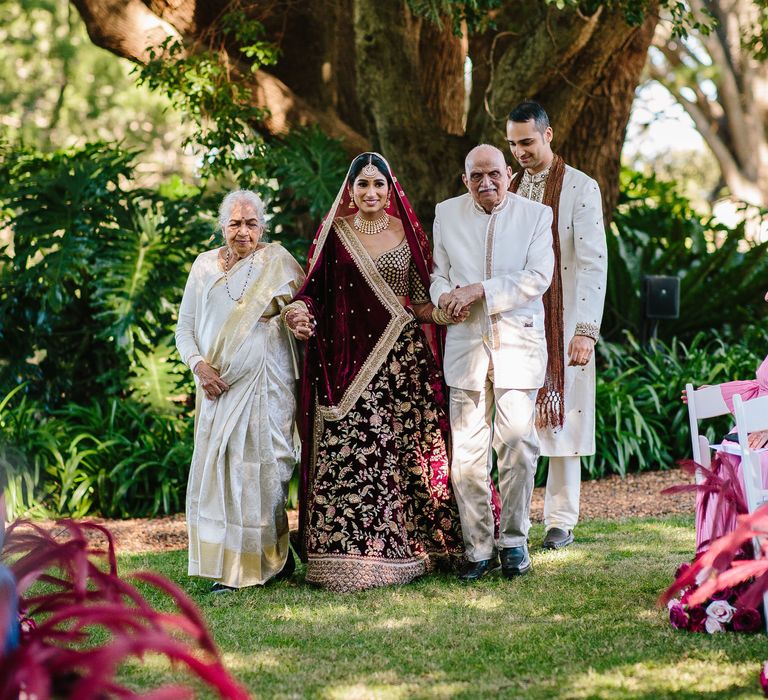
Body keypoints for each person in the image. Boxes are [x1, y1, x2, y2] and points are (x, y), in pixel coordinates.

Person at [282, 152, 464, 593]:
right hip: (345, 363)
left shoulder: (407, 232)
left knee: (407, 460)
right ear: (351, 190)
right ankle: (343, 557)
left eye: (378, 185)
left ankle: (412, 551)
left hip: (402, 363)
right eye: (362, 184)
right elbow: (314, 293)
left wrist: (451, 312)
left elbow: (419, 300)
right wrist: (299, 312)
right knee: (354, 453)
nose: (370, 192)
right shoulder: (335, 234)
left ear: (390, 189)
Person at [430, 144, 554, 582]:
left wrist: (478, 290)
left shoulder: (536, 216)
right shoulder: (446, 214)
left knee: (518, 448)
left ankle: (515, 542)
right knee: (466, 456)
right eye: (476, 176)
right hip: (465, 347)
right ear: (464, 179)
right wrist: (443, 298)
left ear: (509, 175)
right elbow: (438, 274)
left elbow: (538, 277)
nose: (486, 183)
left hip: (517, 346)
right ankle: (477, 547)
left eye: (495, 175)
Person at [175, 189, 305, 592]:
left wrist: (296, 319)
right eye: (235, 223)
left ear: (262, 226)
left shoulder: (278, 263)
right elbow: (185, 329)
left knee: (268, 469)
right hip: (217, 390)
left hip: (270, 382)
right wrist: (199, 367)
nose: (243, 231)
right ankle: (234, 568)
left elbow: (305, 307)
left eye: (251, 223)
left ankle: (273, 555)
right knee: (226, 472)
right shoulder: (203, 267)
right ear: (222, 226)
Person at [506, 101, 608, 550]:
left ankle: (561, 520)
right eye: (513, 144)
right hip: (514, 320)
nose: (520, 152)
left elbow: (592, 263)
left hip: (564, 317)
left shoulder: (581, 188)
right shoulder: (505, 186)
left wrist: (585, 329)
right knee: (514, 420)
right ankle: (514, 517)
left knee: (563, 417)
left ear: (549, 135)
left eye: (527, 142)